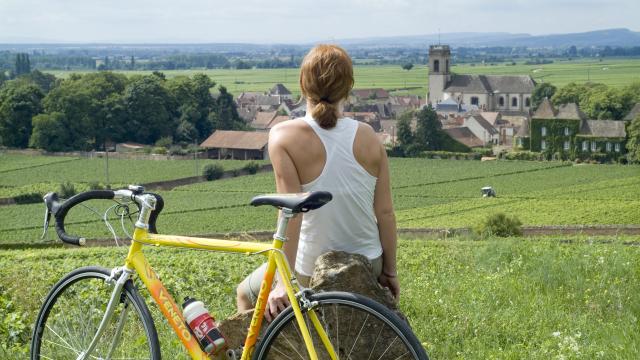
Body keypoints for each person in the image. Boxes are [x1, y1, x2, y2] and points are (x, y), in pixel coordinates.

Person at [236, 44, 399, 322]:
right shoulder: (370, 136)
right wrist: (389, 272)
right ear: (348, 89)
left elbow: (292, 215)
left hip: (310, 268)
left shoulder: (282, 136)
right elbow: (385, 214)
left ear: (302, 85)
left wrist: (282, 283)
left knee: (244, 293)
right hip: (368, 263)